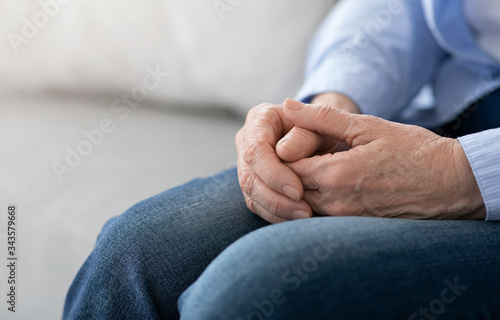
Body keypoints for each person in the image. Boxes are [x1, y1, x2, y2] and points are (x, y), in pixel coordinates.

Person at [63, 1, 500, 319]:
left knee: (251, 290)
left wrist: (459, 174)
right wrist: (333, 106)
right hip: (452, 112)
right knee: (136, 249)